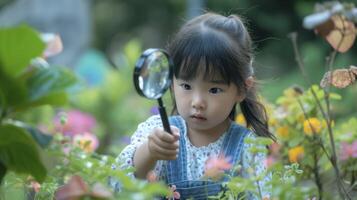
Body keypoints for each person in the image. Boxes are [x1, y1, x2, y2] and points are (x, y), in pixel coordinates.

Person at [112, 12, 275, 199]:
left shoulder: (248, 147)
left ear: (241, 89)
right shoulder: (156, 131)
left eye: (214, 90)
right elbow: (117, 185)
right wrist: (149, 152)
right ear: (171, 83)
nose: (197, 102)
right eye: (187, 86)